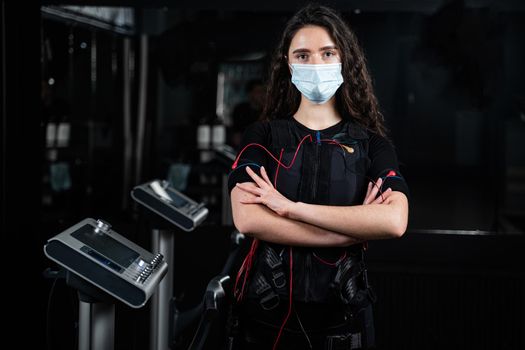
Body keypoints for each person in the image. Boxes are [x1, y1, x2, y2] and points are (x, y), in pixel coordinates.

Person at [227, 4, 409, 349]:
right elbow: (248, 217)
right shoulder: (263, 136)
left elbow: (394, 220)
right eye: (303, 55)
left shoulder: (372, 145)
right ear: (288, 62)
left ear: (345, 59)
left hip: (344, 322)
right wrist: (347, 232)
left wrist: (291, 208)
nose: (316, 65)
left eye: (328, 53)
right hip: (264, 322)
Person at [230, 79, 266, 148]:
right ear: (250, 93)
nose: (262, 95)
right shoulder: (241, 110)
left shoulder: (267, 111)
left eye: (263, 91)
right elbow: (236, 137)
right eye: (258, 92)